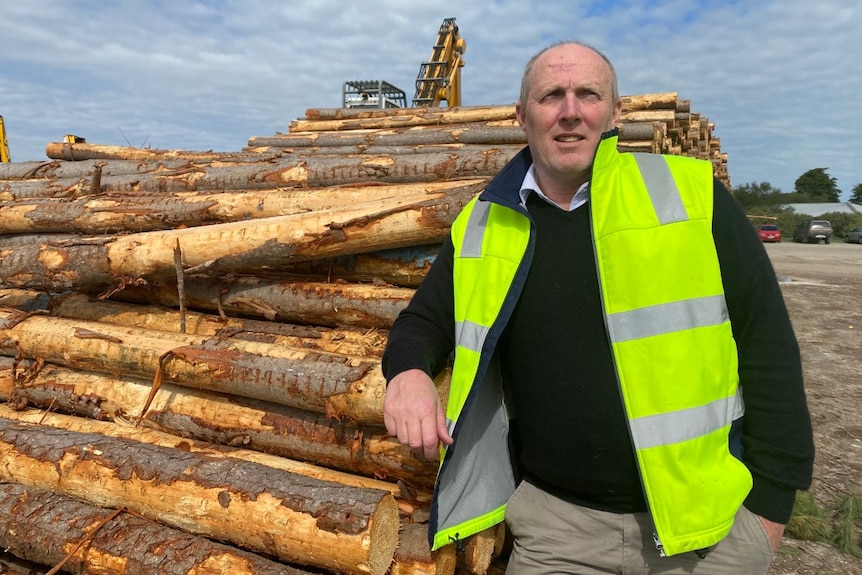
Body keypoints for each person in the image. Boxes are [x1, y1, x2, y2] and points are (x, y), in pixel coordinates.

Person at [381, 41, 814, 574]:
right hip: (556, 531)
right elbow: (424, 318)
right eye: (550, 96)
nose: (570, 111)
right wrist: (406, 373)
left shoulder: (691, 197)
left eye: (588, 94)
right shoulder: (484, 223)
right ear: (522, 116)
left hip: (706, 530)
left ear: (615, 112)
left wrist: (770, 510)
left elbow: (768, 346)